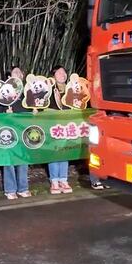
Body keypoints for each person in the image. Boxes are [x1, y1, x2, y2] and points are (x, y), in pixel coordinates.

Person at [1, 66, 31, 200]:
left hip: (23, 132)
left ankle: (23, 188)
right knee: (9, 162)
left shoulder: (28, 93)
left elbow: (37, 108)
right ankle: (10, 189)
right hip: (8, 133)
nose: (18, 74)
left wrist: (35, 111)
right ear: (8, 78)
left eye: (20, 72)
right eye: (15, 72)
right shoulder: (2, 94)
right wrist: (4, 113)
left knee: (23, 160)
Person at [47, 65, 72, 194]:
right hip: (53, 126)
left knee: (65, 152)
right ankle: (54, 181)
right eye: (59, 72)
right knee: (54, 152)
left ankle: (64, 179)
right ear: (53, 75)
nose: (63, 74)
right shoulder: (48, 90)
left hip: (67, 126)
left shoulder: (72, 90)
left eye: (64, 72)